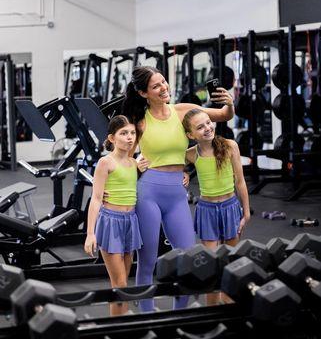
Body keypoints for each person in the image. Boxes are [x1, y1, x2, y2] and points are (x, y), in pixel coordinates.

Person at [122, 66, 234, 312]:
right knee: (148, 258)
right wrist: (135, 164)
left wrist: (230, 102)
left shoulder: (183, 111)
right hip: (148, 192)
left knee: (187, 256)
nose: (163, 88)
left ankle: (179, 313)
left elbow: (224, 115)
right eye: (156, 86)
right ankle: (147, 314)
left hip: (177, 194)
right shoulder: (139, 122)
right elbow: (123, 159)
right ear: (143, 94)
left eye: (163, 82)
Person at [182, 108, 250, 304]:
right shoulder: (191, 154)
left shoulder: (230, 146)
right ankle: (211, 308)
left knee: (230, 261)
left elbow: (240, 182)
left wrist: (245, 212)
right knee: (211, 263)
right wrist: (183, 173)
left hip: (230, 207)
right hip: (207, 210)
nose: (207, 128)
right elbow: (170, 165)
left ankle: (228, 304)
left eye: (208, 123)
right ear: (190, 135)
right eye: (200, 127)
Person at [84, 115, 142, 316]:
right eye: (124, 133)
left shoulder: (135, 163)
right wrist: (90, 233)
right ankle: (118, 327)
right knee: (120, 284)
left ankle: (120, 323)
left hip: (130, 222)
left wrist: (185, 175)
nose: (129, 137)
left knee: (122, 285)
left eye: (132, 133)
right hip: (110, 222)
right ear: (111, 138)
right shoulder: (105, 162)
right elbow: (96, 199)